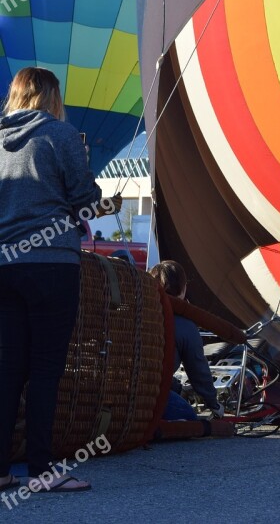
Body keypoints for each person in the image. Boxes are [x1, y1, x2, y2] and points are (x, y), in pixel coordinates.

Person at [0, 67, 120, 493]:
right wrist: (103, 205)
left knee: (9, 369)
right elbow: (84, 201)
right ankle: (41, 471)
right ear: (51, 96)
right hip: (51, 264)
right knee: (46, 369)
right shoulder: (60, 134)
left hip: (5, 266)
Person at [149, 261, 225, 420]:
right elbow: (197, 369)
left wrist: (177, 388)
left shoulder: (139, 313)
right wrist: (214, 404)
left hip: (117, 392)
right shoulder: (184, 325)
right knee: (189, 416)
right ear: (183, 289)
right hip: (150, 396)